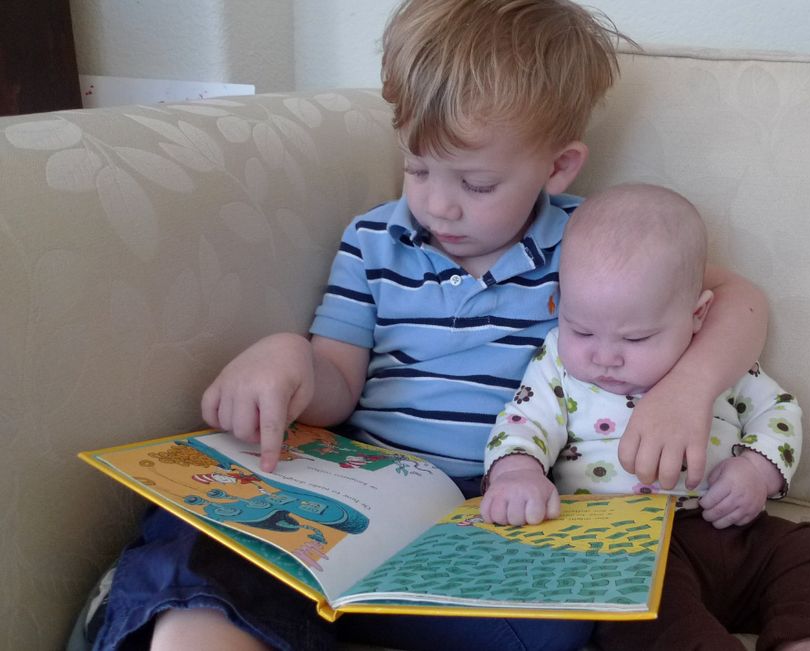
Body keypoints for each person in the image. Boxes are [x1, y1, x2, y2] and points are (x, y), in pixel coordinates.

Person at [82, 2, 769, 650]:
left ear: (558, 167)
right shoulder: (373, 242)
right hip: (364, 486)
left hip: (496, 507)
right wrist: (287, 358)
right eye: (417, 166)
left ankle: (313, 609)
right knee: (202, 529)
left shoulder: (593, 245)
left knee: (561, 627)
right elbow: (336, 387)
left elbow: (739, 300)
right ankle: (195, 622)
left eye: (476, 184)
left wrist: (688, 389)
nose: (438, 204)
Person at [481, 184, 810, 651]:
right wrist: (517, 473)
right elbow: (523, 423)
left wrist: (755, 471)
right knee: (629, 607)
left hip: (730, 528)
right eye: (581, 329)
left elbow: (777, 411)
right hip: (624, 548)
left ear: (697, 314)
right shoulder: (558, 365)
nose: (605, 356)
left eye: (636, 339)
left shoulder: (714, 359)